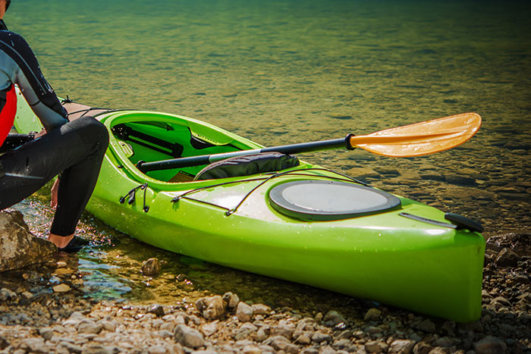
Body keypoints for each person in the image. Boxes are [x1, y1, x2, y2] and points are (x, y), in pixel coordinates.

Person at [0, 0, 109, 252]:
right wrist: (63, 164)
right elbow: (56, 120)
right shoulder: (8, 44)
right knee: (92, 134)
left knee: (28, 139)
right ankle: (62, 241)